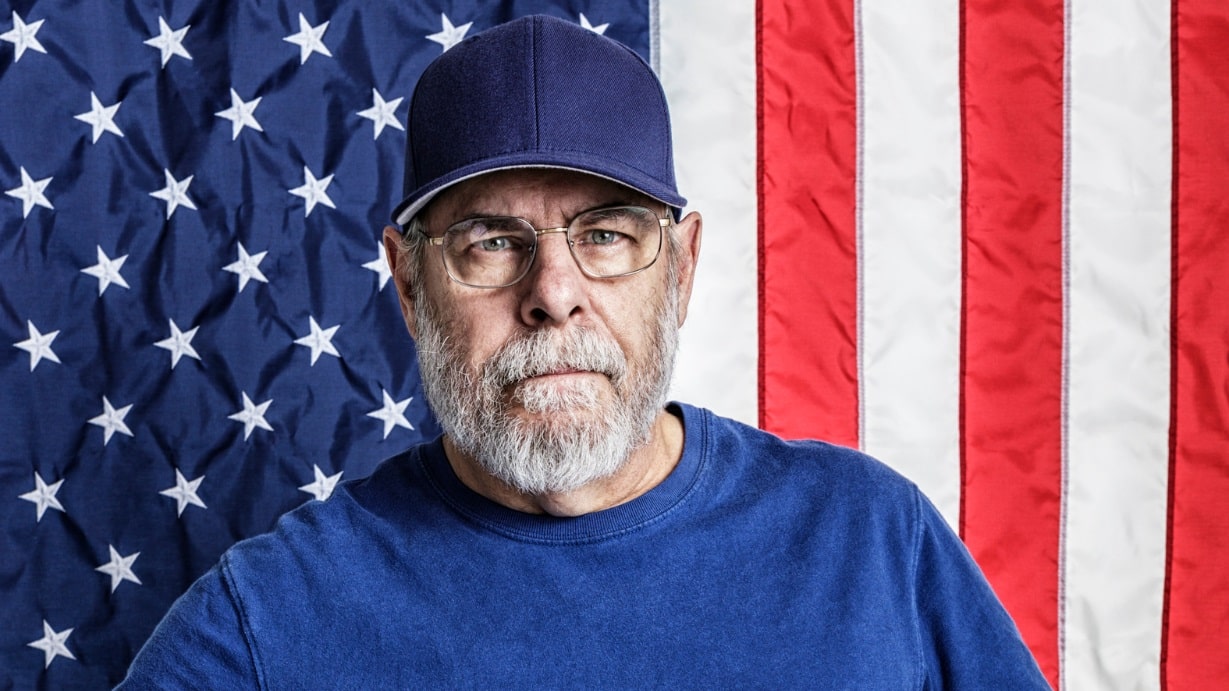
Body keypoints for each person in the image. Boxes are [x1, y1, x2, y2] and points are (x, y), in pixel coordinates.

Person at [120, 15, 1048, 688]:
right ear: (408, 284)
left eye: (604, 236)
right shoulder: (272, 618)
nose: (553, 293)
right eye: (489, 240)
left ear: (680, 268)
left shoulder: (868, 538)